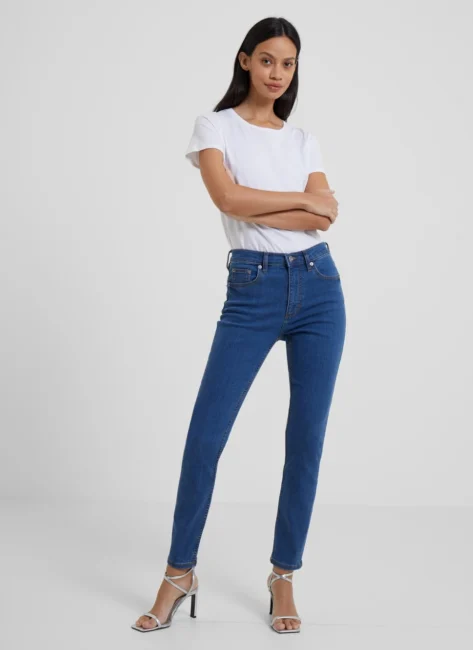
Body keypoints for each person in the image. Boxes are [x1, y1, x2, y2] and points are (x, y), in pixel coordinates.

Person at [132, 16, 346, 635]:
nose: (278, 73)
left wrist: (290, 204)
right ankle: (179, 573)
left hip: (320, 289)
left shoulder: (303, 140)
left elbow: (323, 220)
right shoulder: (215, 127)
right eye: (268, 60)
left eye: (289, 64)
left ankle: (284, 575)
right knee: (206, 436)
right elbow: (227, 200)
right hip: (251, 289)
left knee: (305, 440)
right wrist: (301, 199)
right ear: (245, 59)